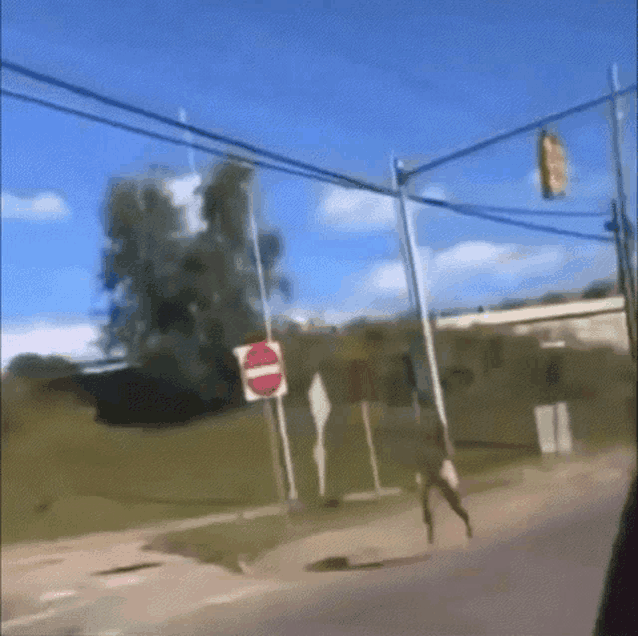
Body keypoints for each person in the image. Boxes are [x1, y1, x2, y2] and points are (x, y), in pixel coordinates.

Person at [416, 424, 472, 544]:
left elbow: (444, 464)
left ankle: (467, 523)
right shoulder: (423, 448)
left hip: (437, 475)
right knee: (425, 501)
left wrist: (452, 481)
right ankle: (430, 528)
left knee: (454, 504)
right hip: (429, 476)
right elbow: (420, 466)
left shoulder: (437, 448)